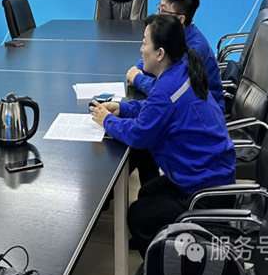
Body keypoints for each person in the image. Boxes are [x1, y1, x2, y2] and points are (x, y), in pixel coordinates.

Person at [91, 14, 235, 258]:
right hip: (208, 172)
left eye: (144, 42)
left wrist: (107, 120)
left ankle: (166, 266)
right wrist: (123, 109)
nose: (141, 49)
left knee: (137, 216)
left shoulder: (167, 87)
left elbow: (139, 134)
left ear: (160, 53)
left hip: (206, 191)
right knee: (147, 193)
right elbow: (157, 111)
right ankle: (161, 245)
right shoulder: (179, 70)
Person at [127, 0, 226, 114]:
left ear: (180, 19)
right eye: (159, 8)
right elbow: (155, 62)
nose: (158, 14)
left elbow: (172, 90)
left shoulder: (196, 48)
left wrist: (138, 79)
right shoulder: (171, 35)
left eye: (163, 10)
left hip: (202, 114)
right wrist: (139, 69)